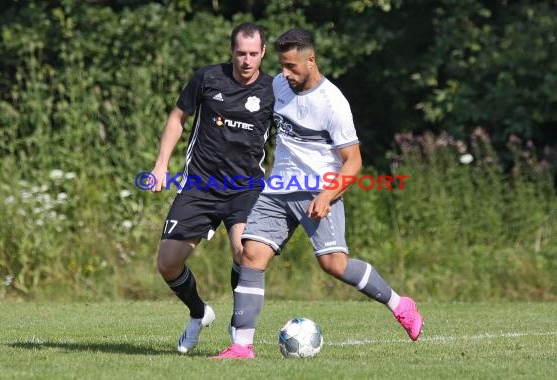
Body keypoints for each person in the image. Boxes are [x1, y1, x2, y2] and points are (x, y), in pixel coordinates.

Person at [213, 28, 423, 359]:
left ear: (311, 61)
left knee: (334, 265)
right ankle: (241, 346)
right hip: (279, 186)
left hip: (318, 189)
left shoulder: (333, 104)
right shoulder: (281, 85)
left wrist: (327, 195)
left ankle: (400, 303)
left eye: (292, 66)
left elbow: (353, 162)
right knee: (250, 254)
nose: (284, 73)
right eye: (282, 65)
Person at [149, 22, 274, 354]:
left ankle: (240, 326)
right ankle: (199, 312)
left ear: (263, 52)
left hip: (245, 187)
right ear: (231, 51)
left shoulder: (274, 90)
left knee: (245, 251)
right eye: (240, 53)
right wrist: (161, 165)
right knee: (167, 263)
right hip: (200, 185)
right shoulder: (207, 78)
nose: (246, 61)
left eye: (253, 54)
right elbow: (178, 118)